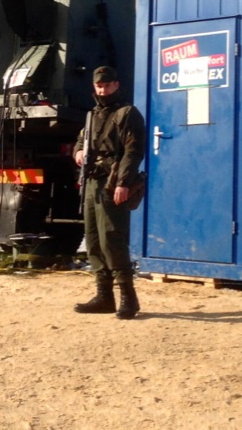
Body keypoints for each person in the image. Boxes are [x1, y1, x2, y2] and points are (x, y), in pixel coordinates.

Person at [72, 65, 146, 319]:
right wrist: (78, 152)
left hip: (112, 182)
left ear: (116, 84)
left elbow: (133, 152)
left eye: (106, 85)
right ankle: (104, 296)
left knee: (113, 238)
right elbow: (82, 140)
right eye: (99, 85)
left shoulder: (127, 113)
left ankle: (128, 298)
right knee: (93, 240)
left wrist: (123, 183)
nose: (102, 90)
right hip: (92, 182)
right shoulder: (92, 115)